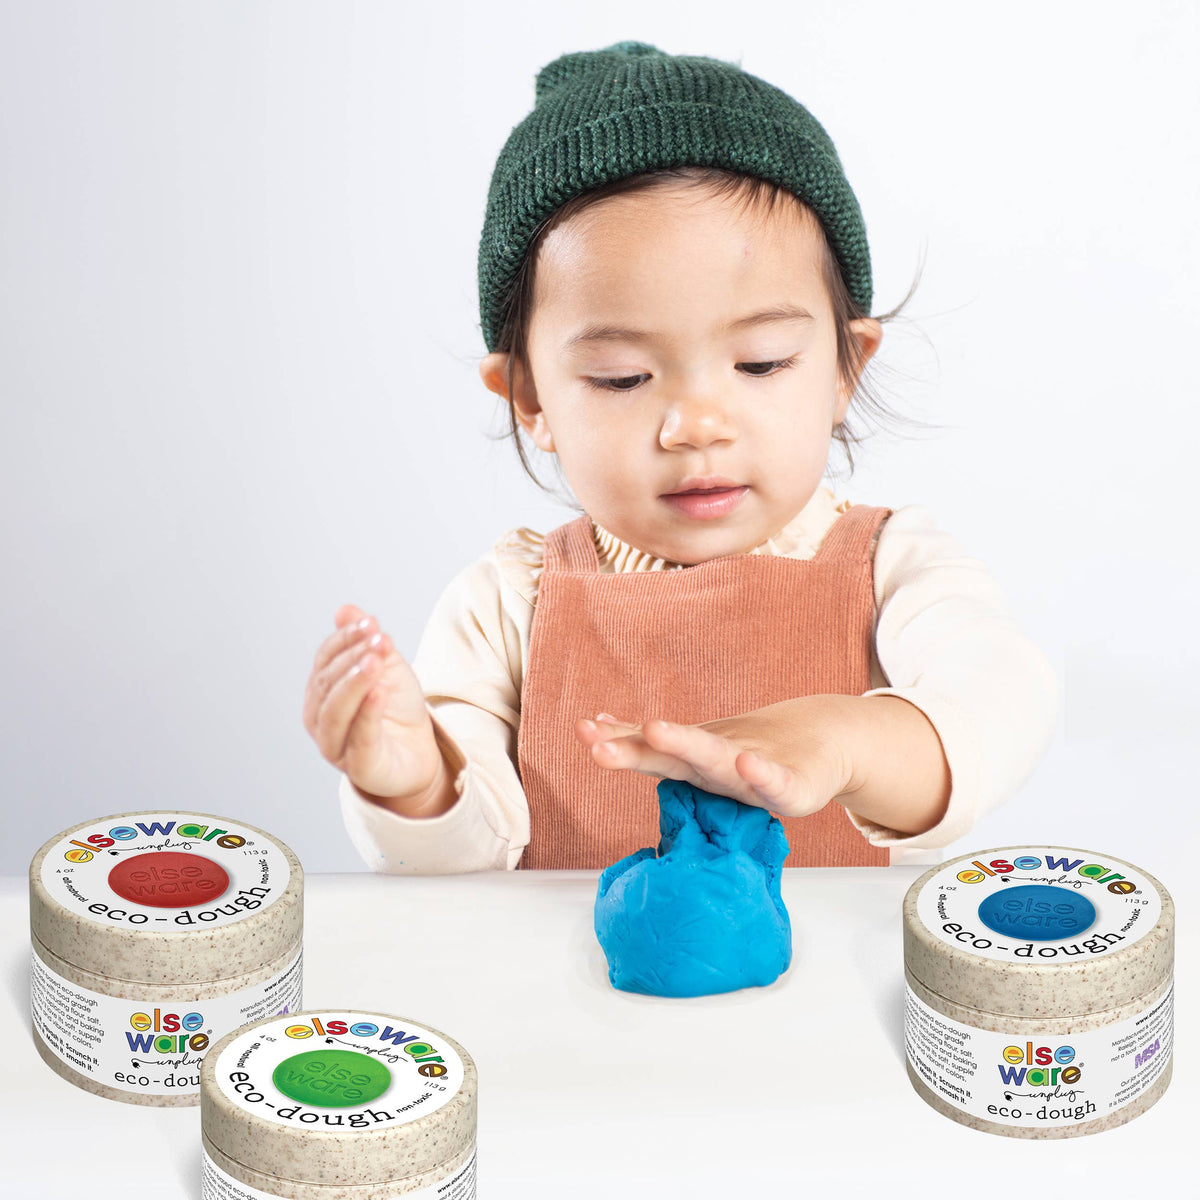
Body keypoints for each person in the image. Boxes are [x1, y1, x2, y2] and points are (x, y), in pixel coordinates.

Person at [302, 41, 1058, 873]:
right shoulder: (508, 605)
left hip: (832, 1000)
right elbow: (462, 867)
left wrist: (847, 740)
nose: (697, 425)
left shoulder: (891, 570)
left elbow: (1002, 696)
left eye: (761, 362)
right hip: (569, 1001)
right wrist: (413, 784)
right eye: (622, 377)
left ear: (846, 366)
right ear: (530, 398)